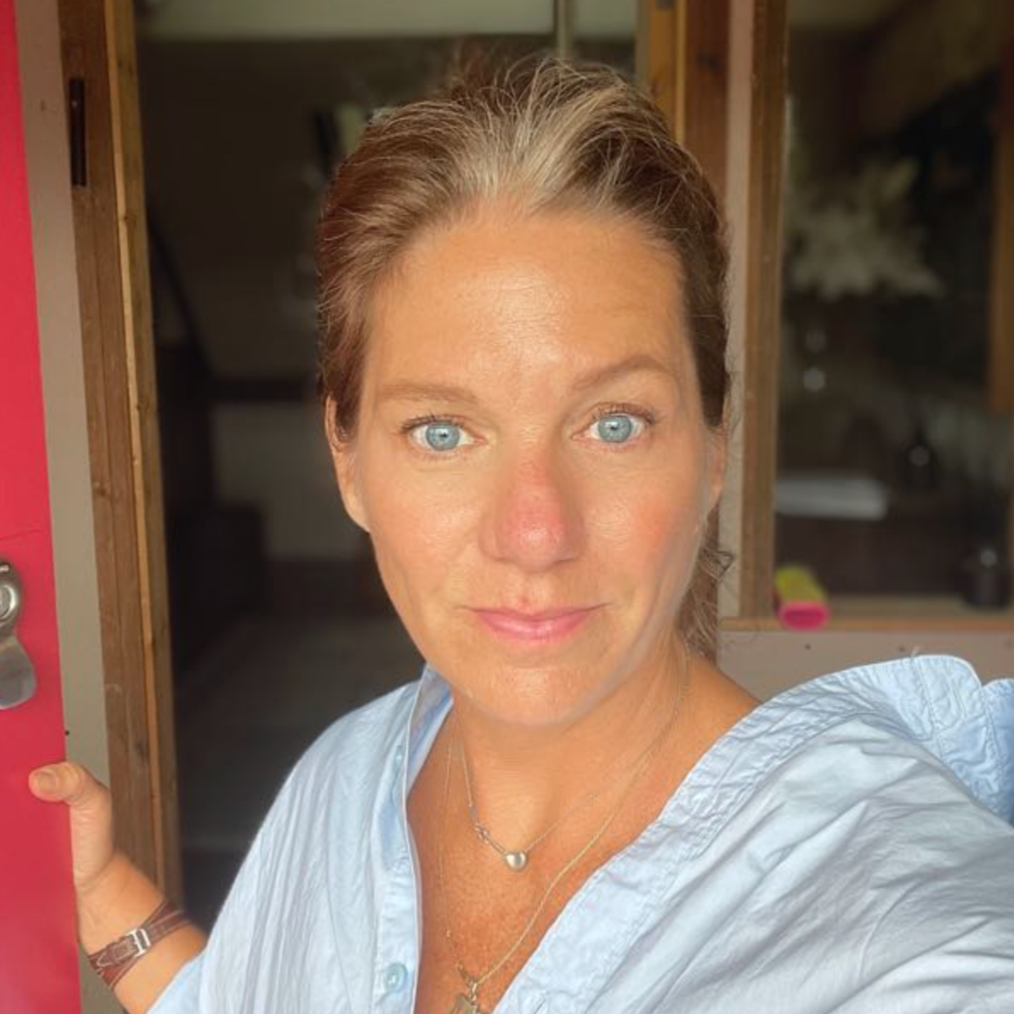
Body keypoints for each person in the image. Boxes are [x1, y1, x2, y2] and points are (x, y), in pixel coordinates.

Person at [29, 57, 1014, 1014]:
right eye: (444, 432)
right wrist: (109, 891)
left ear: (716, 448)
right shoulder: (344, 778)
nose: (535, 533)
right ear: (347, 460)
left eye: (613, 423)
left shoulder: (905, 922)